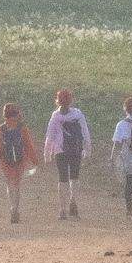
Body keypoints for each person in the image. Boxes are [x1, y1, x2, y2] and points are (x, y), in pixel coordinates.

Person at [44, 90, 92, 220]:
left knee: (62, 179)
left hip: (60, 150)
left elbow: (50, 135)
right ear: (71, 101)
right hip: (76, 149)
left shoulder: (56, 116)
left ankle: (62, 209)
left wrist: (46, 153)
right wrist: (88, 147)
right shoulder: (77, 114)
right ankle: (73, 200)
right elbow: (85, 131)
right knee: (74, 178)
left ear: (57, 101)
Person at [0, 103, 39, 224]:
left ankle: (12, 206)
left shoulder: (1, 129)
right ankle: (16, 208)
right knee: (17, 185)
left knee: (9, 184)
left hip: (6, 161)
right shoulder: (22, 128)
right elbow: (28, 145)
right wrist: (35, 161)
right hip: (20, 160)